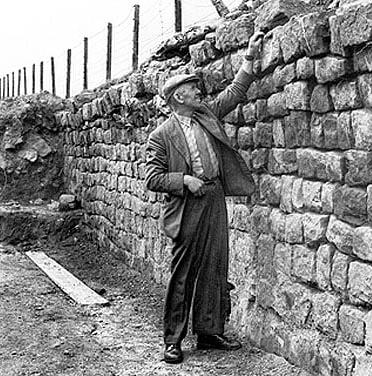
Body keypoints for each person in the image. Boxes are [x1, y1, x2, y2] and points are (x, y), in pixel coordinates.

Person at [145, 31, 264, 364]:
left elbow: (236, 92)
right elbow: (153, 178)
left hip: (213, 198)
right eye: (193, 88)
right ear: (179, 97)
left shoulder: (207, 114)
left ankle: (210, 332)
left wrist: (250, 57)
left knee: (215, 267)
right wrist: (184, 180)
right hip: (186, 207)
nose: (199, 90)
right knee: (183, 273)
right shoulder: (161, 136)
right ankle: (173, 340)